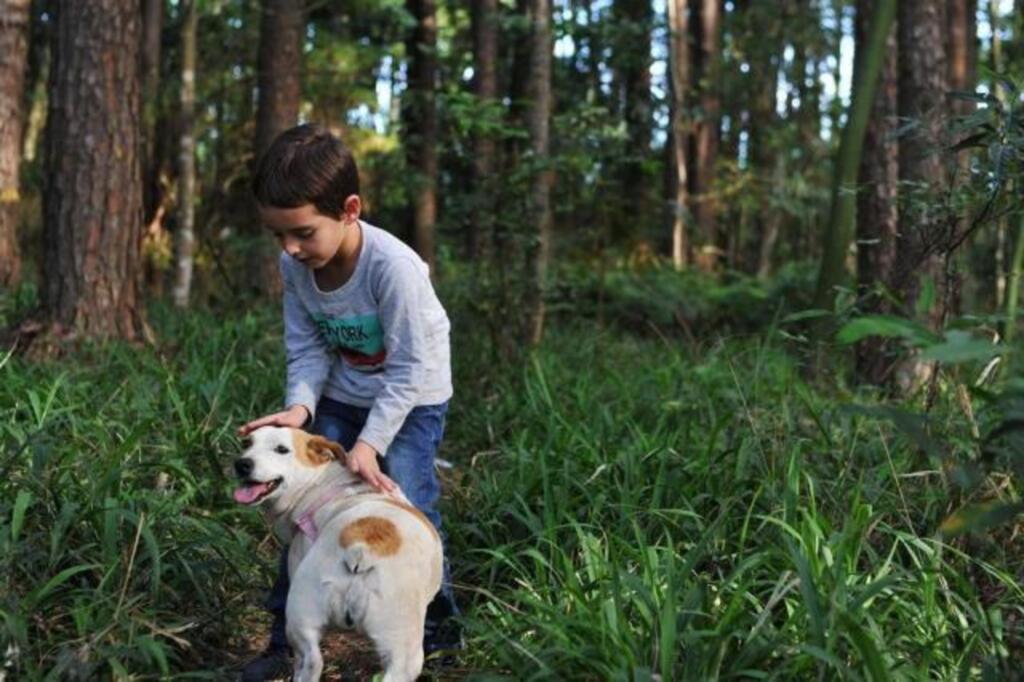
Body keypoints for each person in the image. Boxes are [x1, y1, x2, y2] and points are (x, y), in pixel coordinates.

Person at [237, 123, 461, 681]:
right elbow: (307, 346)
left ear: (350, 210)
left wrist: (369, 446)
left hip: (412, 401)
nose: (289, 249)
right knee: (307, 519)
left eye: (303, 233)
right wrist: (301, 410)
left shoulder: (394, 269)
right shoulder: (297, 265)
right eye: (278, 236)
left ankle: (438, 631)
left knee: (410, 501)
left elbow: (409, 370)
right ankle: (284, 641)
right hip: (344, 391)